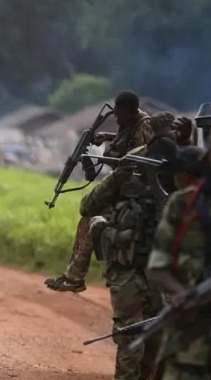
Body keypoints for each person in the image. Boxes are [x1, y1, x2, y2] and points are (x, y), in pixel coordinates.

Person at [45, 90, 152, 293]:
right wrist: (107, 137)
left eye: (120, 114)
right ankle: (73, 276)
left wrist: (104, 160)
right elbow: (126, 142)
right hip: (120, 185)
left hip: (132, 190)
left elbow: (141, 157)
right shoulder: (129, 123)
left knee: (92, 215)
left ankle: (75, 276)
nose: (117, 118)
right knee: (87, 218)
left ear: (130, 111)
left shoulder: (144, 125)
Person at [145, 131, 211, 380]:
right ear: (209, 155)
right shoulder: (183, 204)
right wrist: (179, 294)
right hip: (190, 346)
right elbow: (157, 266)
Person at [80, 153, 165, 380]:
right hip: (129, 272)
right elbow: (87, 206)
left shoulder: (174, 192)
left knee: (155, 338)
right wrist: (117, 176)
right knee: (132, 338)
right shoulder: (122, 186)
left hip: (157, 275)